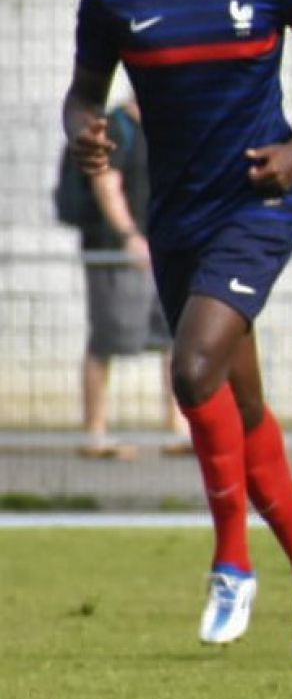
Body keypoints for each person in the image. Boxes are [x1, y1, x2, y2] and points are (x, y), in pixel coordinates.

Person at [64, 0, 292, 658]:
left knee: (191, 369)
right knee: (244, 403)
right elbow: (83, 96)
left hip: (258, 208)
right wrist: (86, 130)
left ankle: (232, 560)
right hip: (178, 219)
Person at [71, 95, 189, 460]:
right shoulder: (116, 127)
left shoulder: (162, 127)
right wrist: (128, 236)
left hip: (161, 251)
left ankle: (178, 430)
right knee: (107, 338)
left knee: (173, 338)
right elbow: (106, 181)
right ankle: (95, 433)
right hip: (118, 251)